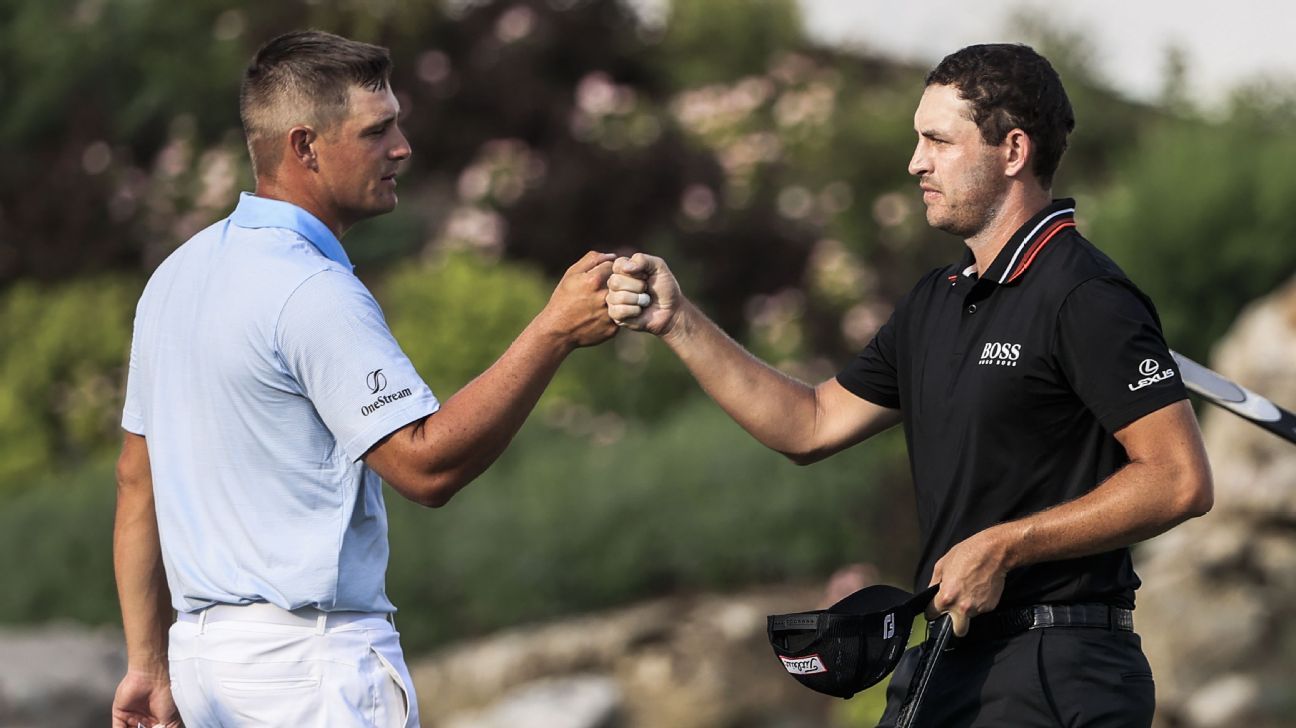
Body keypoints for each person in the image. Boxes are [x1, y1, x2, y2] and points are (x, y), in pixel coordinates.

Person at [607, 43, 1212, 726]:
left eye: (937, 141)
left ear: (1013, 151)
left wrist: (1006, 545)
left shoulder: (1086, 295)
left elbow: (1179, 479)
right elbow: (809, 424)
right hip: (953, 659)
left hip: (1060, 667)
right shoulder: (935, 300)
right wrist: (679, 321)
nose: (915, 162)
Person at [112, 30, 618, 728]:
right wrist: (554, 330)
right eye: (377, 131)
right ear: (305, 147)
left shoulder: (174, 277)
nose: (402, 148)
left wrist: (147, 666)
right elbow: (425, 467)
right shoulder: (311, 287)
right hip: (308, 672)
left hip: (203, 667)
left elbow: (135, 479)